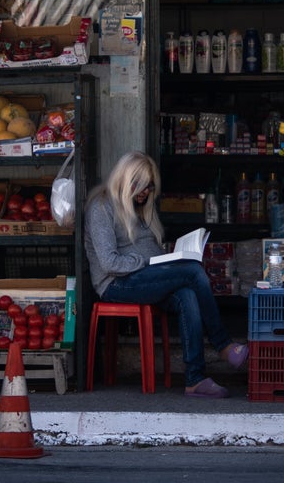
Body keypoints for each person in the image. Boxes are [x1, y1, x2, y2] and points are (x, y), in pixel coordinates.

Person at [84, 150, 248, 398]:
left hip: (142, 277)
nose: (146, 192)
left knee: (186, 294)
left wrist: (168, 257)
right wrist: (149, 262)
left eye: (149, 186)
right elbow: (109, 263)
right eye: (140, 186)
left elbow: (151, 252)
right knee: (193, 271)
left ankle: (195, 379)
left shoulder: (140, 209)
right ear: (125, 181)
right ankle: (224, 345)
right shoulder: (101, 207)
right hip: (115, 284)